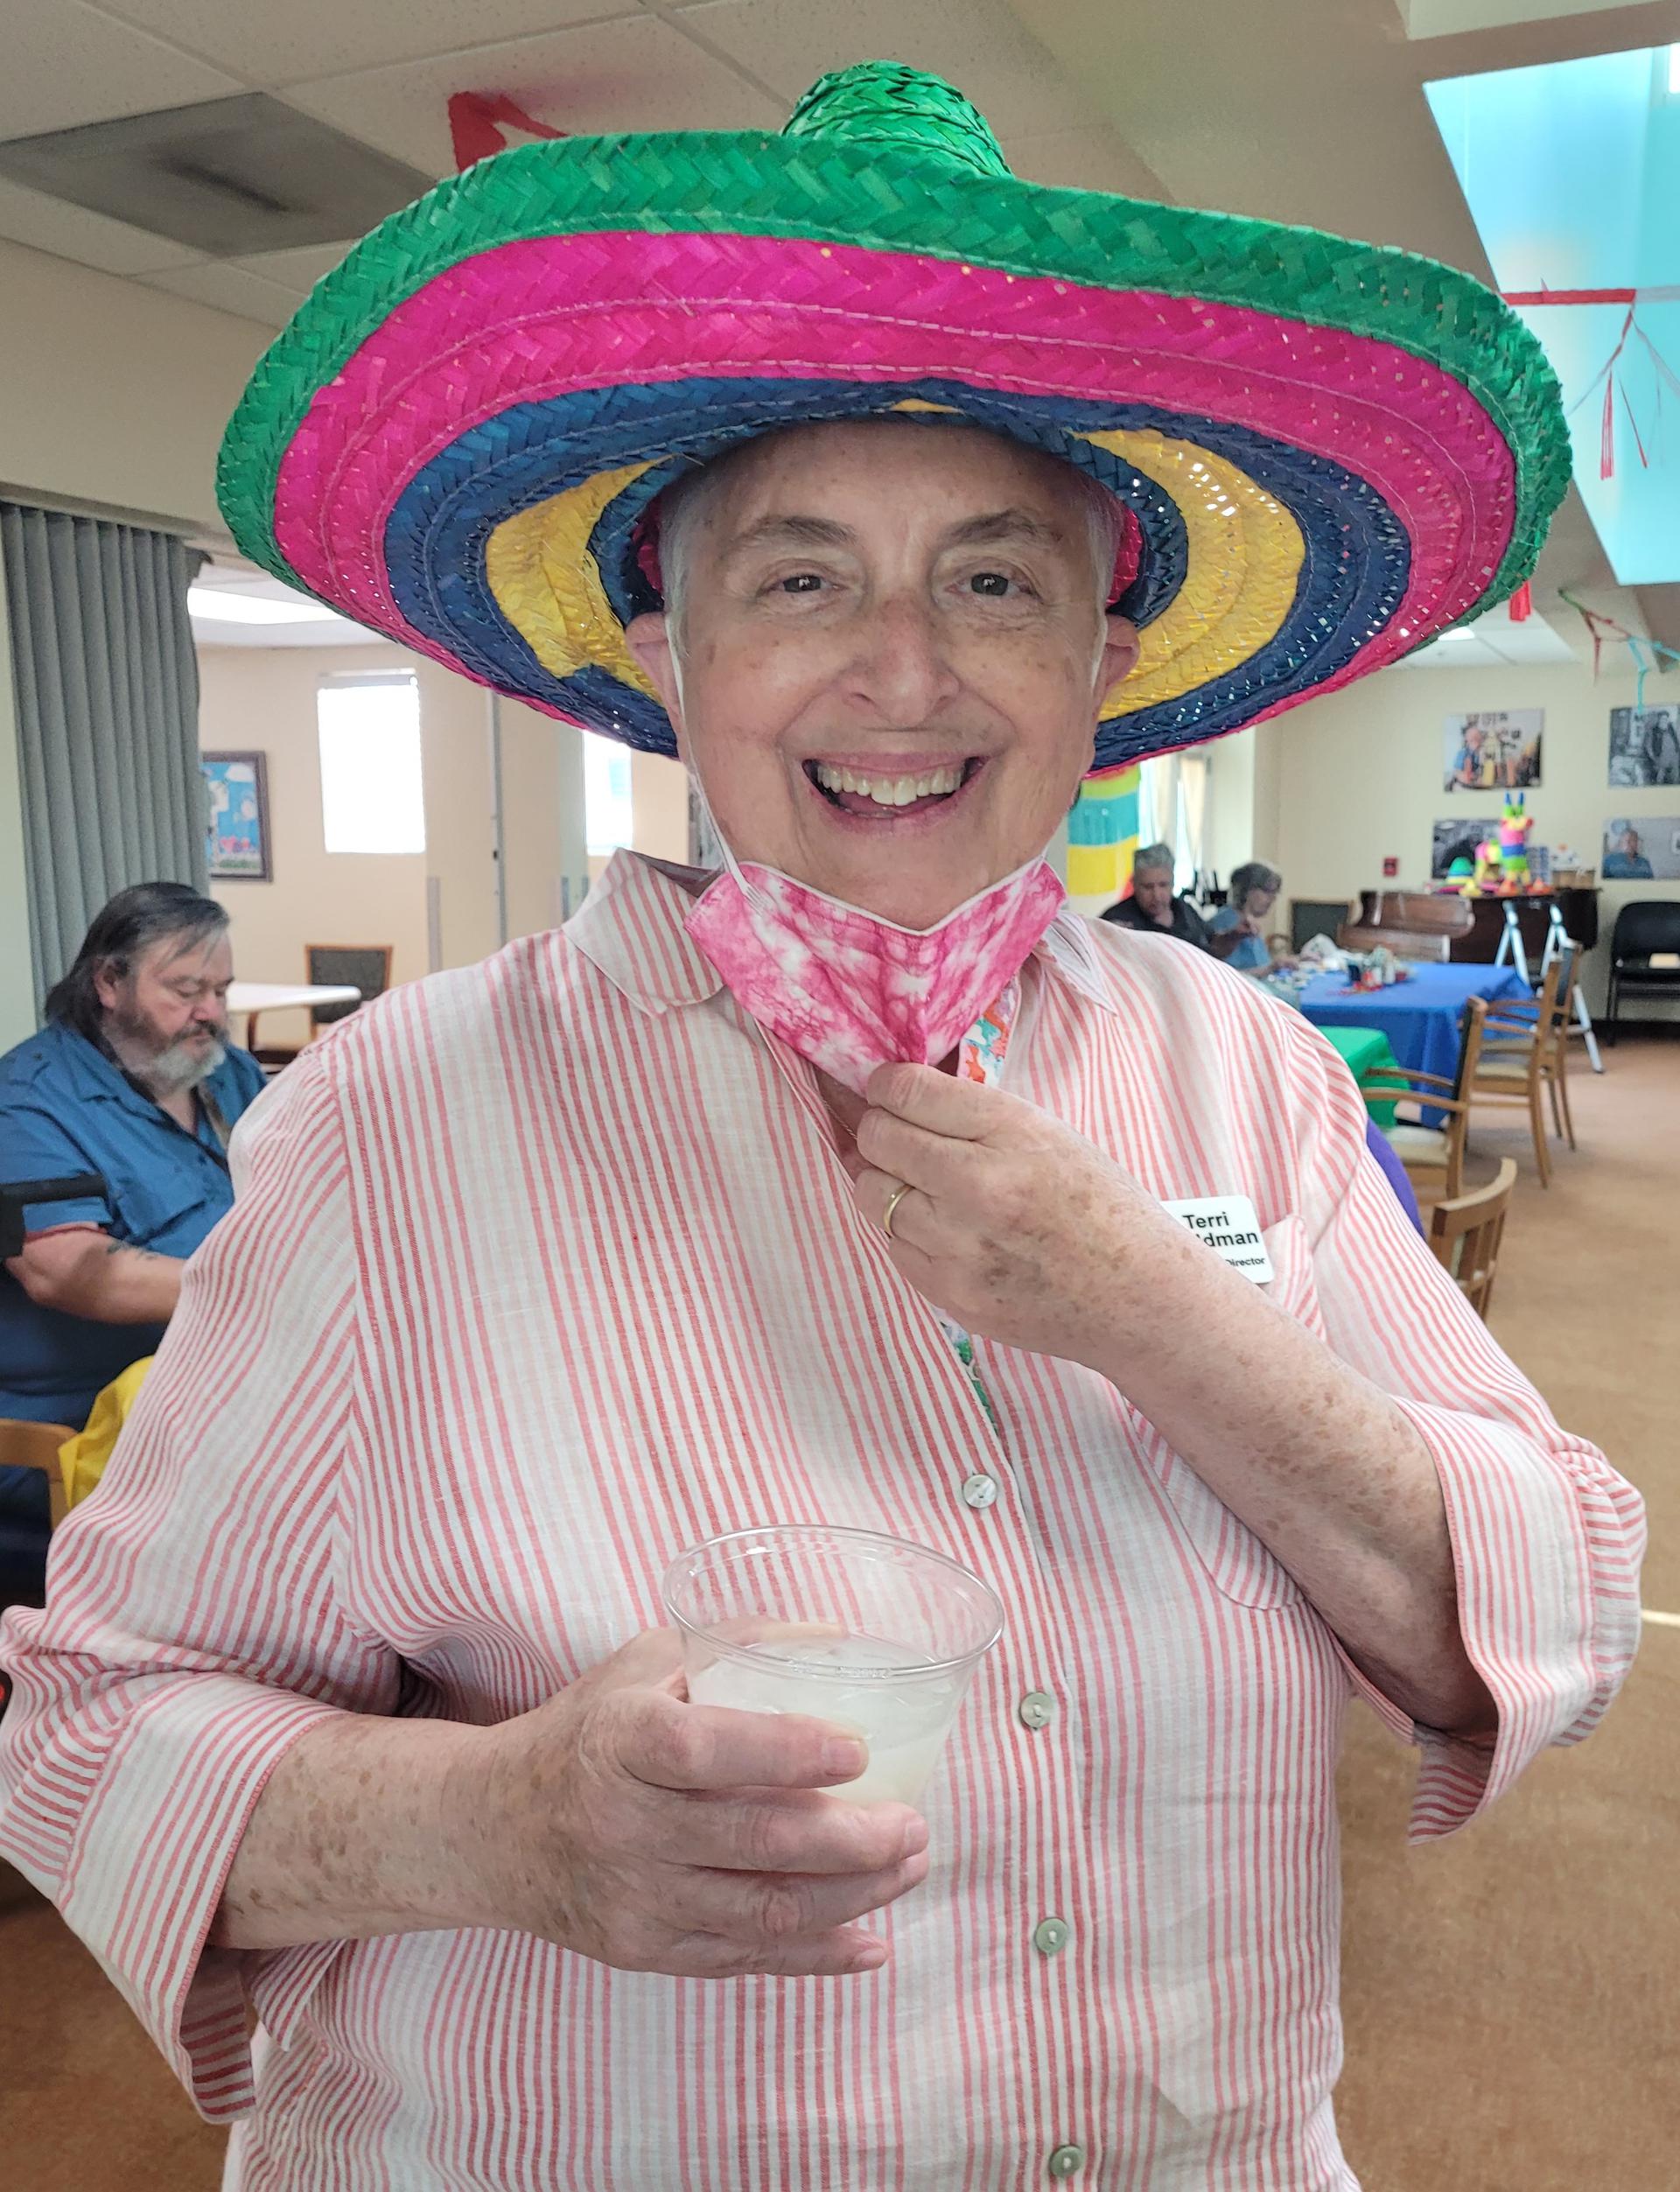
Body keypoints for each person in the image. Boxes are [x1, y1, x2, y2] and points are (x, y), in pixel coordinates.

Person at [0, 65, 1642, 2192]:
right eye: (798, 580)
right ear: (663, 650)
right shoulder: (394, 1122)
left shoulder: (1242, 1066)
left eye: (993, 582)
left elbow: (1550, 1605)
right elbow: (88, 1730)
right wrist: (500, 1821)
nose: (903, 673)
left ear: (1101, 654)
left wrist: (1160, 1312)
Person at [0, 884, 265, 1595]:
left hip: (221, 1398)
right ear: (109, 983)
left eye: (220, 990)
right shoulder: (26, 1102)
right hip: (83, 1431)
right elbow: (66, 1269)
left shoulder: (227, 1075)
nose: (211, 1013)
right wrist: (266, 1287)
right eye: (186, 990)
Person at [1099, 841, 1211, 947]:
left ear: (1173, 882)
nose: (1156, 895)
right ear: (1134, 884)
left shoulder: (1184, 910)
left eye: (1163, 885)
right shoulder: (1116, 921)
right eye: (1148, 887)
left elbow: (1210, 941)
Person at [1207, 858, 1286, 970]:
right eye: (1267, 891)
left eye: (1275, 893)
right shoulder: (1224, 924)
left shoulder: (1250, 923)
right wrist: (1269, 969)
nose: (1273, 898)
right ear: (1246, 890)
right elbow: (1227, 974)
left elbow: (1261, 965)